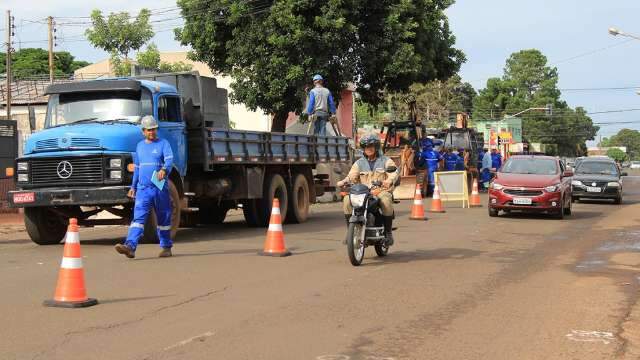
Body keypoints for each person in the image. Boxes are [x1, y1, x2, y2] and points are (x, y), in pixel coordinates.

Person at [115, 115, 174, 259]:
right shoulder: (139, 146)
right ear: (143, 131)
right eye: (149, 130)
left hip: (159, 188)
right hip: (143, 189)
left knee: (163, 218)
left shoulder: (163, 143)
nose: (152, 132)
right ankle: (130, 246)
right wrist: (133, 186)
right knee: (138, 219)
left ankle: (166, 247)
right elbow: (137, 169)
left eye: (154, 129)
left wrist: (164, 170)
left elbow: (169, 160)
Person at [337, 134, 398, 245]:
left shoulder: (386, 161)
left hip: (380, 191)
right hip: (363, 193)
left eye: (371, 146)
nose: (368, 149)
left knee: (386, 200)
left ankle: (388, 233)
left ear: (376, 147)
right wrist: (344, 181)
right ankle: (349, 231)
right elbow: (351, 176)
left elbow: (393, 173)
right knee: (347, 200)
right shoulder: (359, 163)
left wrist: (389, 180)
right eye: (365, 147)